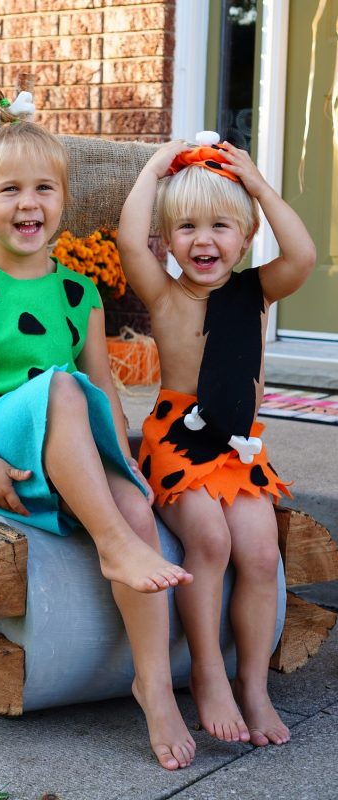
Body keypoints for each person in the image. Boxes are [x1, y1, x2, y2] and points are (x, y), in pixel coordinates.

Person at [0, 73, 195, 770]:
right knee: (61, 387)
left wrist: (127, 462)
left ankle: (153, 686)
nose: (27, 203)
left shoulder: (79, 292)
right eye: (10, 189)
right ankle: (109, 543)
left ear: (62, 202)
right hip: (3, 444)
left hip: (68, 437)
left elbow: (102, 382)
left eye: (43, 188)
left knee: (136, 507)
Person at [117, 135, 316, 748]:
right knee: (210, 537)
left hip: (237, 448)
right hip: (177, 443)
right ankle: (208, 672)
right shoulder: (166, 293)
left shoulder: (256, 291)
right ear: (168, 238)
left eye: (221, 226)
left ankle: (252, 683)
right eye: (186, 228)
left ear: (248, 231)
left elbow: (304, 252)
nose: (204, 241)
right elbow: (127, 239)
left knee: (259, 552)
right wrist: (156, 167)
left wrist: (256, 183)